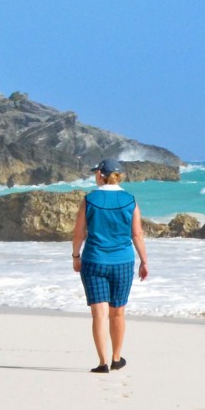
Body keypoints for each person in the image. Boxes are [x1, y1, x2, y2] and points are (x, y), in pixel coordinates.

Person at [71, 158, 149, 374]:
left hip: (94, 261)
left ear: (100, 175)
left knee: (99, 314)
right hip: (123, 262)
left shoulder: (90, 199)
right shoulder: (129, 200)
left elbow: (79, 233)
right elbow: (137, 234)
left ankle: (102, 362)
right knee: (118, 312)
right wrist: (144, 261)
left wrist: (76, 256)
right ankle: (116, 357)